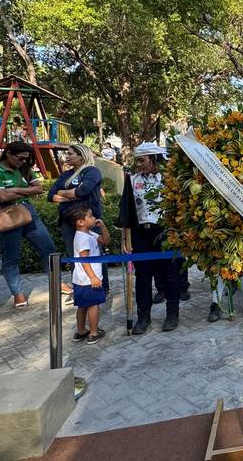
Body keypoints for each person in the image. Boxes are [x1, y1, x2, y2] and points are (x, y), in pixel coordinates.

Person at [0, 141, 56, 308]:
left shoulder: (24, 169)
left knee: (49, 250)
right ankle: (18, 293)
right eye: (20, 158)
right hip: (8, 215)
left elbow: (38, 189)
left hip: (29, 212)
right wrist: (22, 190)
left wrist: (13, 190)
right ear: (8, 153)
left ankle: (57, 283)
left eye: (26, 159)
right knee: (11, 257)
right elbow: (1, 197)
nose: (23, 162)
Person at [119, 142, 182, 333]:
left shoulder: (169, 179)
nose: (139, 164)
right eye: (137, 160)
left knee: (170, 275)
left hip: (164, 232)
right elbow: (126, 212)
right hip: (141, 234)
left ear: (154, 159)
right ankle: (143, 317)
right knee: (143, 276)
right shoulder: (132, 180)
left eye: (142, 160)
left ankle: (172, 314)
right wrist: (125, 239)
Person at [48, 143, 107, 294]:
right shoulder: (66, 174)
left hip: (88, 221)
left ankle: (102, 287)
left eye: (70, 154)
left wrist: (62, 193)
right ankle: (81, 287)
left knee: (95, 254)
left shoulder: (91, 171)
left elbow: (83, 191)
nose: (66, 156)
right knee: (74, 255)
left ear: (81, 156)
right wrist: (72, 195)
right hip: (68, 222)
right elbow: (50, 195)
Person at [66, 203, 110, 345]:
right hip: (88, 279)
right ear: (80, 222)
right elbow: (84, 260)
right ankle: (93, 332)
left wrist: (102, 227)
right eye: (90, 216)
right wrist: (93, 277)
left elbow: (105, 241)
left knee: (83, 305)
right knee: (93, 305)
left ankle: (80, 331)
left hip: (82, 279)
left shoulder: (89, 233)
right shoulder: (82, 238)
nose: (94, 218)